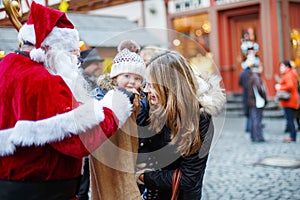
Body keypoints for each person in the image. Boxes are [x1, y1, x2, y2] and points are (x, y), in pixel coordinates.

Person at [0, 2, 132, 199]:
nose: (74, 60)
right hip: (44, 191)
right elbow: (79, 140)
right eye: (70, 52)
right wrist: (115, 106)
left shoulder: (6, 67)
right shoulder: (43, 80)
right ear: (51, 47)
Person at [135, 50, 226, 199]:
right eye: (147, 83)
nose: (146, 89)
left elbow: (189, 178)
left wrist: (144, 177)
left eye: (152, 85)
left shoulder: (200, 118)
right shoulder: (149, 104)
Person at [90, 48, 148, 199]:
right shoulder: (102, 94)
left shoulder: (140, 98)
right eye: (127, 76)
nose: (131, 81)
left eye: (137, 78)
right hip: (109, 154)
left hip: (129, 155)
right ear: (115, 77)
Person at [275, 60, 299, 142]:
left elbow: (290, 86)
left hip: (289, 101)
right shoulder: (291, 73)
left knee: (290, 119)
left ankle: (292, 136)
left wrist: (280, 87)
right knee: (291, 119)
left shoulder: (288, 75)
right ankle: (292, 136)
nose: (280, 68)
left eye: (282, 66)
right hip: (291, 100)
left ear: (287, 67)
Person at [247, 65, 267, 142]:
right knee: (257, 120)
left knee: (253, 119)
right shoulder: (256, 77)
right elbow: (259, 88)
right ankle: (258, 137)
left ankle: (253, 136)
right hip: (257, 102)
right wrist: (264, 97)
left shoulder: (251, 76)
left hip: (252, 101)